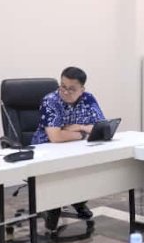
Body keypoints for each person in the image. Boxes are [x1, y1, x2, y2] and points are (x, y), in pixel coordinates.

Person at [30, 66, 105, 232]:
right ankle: (53, 206)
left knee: (88, 167)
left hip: (75, 149)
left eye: (72, 89)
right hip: (45, 150)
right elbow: (55, 137)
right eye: (63, 86)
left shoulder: (88, 98)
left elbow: (101, 128)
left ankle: (77, 199)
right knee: (61, 172)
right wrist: (81, 133)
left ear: (82, 89)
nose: (65, 91)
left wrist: (76, 127)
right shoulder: (50, 101)